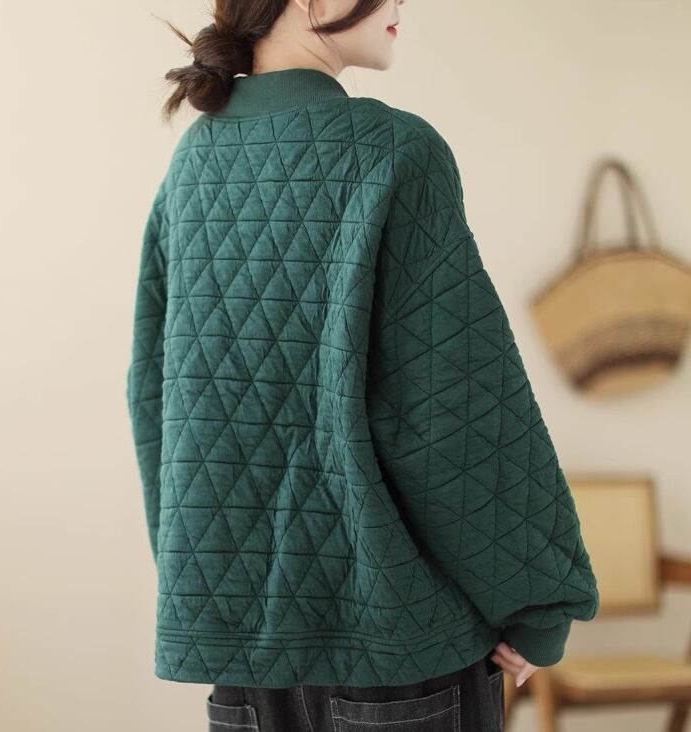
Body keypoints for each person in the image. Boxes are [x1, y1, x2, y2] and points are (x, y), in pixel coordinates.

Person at [125, 1, 600, 730]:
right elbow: (453, 405)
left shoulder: (195, 160)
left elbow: (158, 397)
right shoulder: (395, 150)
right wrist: (538, 604)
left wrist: (215, 590)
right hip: (401, 645)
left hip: (244, 660)